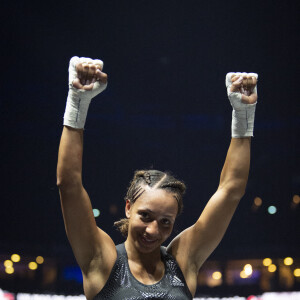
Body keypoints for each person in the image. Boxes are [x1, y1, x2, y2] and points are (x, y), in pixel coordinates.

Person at [57, 56, 258, 300]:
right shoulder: (102, 259)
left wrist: (244, 113)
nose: (153, 230)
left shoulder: (183, 260)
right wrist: (78, 102)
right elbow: (69, 185)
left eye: (165, 222)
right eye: (146, 216)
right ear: (129, 207)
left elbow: (231, 190)